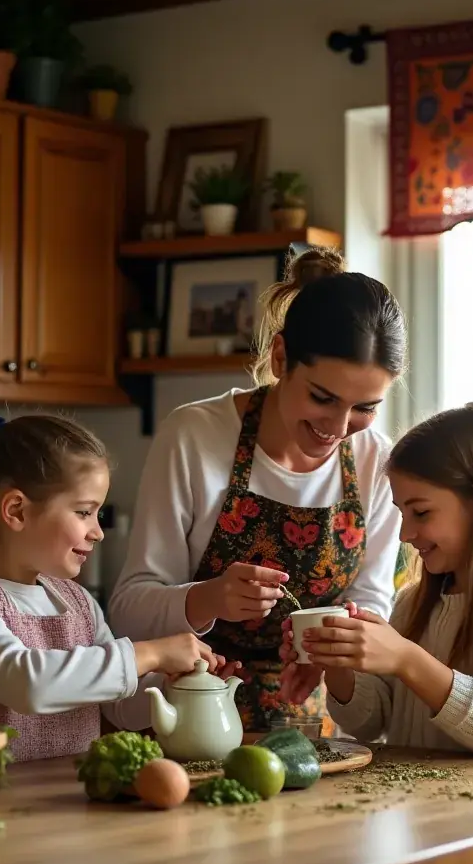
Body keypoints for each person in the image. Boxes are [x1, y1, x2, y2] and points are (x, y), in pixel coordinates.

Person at [109, 247, 406, 735]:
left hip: (317, 732)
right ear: (281, 356)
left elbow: (372, 604)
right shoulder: (195, 436)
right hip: (188, 726)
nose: (337, 427)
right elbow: (130, 606)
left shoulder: (376, 459)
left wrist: (333, 651)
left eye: (364, 407)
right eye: (322, 397)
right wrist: (208, 598)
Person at [279, 403, 473, 760]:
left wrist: (406, 659)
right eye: (401, 512)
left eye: (421, 512)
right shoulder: (413, 603)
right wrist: (337, 662)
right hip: (436, 809)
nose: (405, 533)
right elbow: (370, 723)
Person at [0, 413, 224, 764]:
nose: (98, 532)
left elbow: (120, 708)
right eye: (83, 512)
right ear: (16, 510)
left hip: (70, 808)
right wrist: (152, 653)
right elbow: (28, 683)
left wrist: (176, 684)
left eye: (98, 514)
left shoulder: (77, 601)